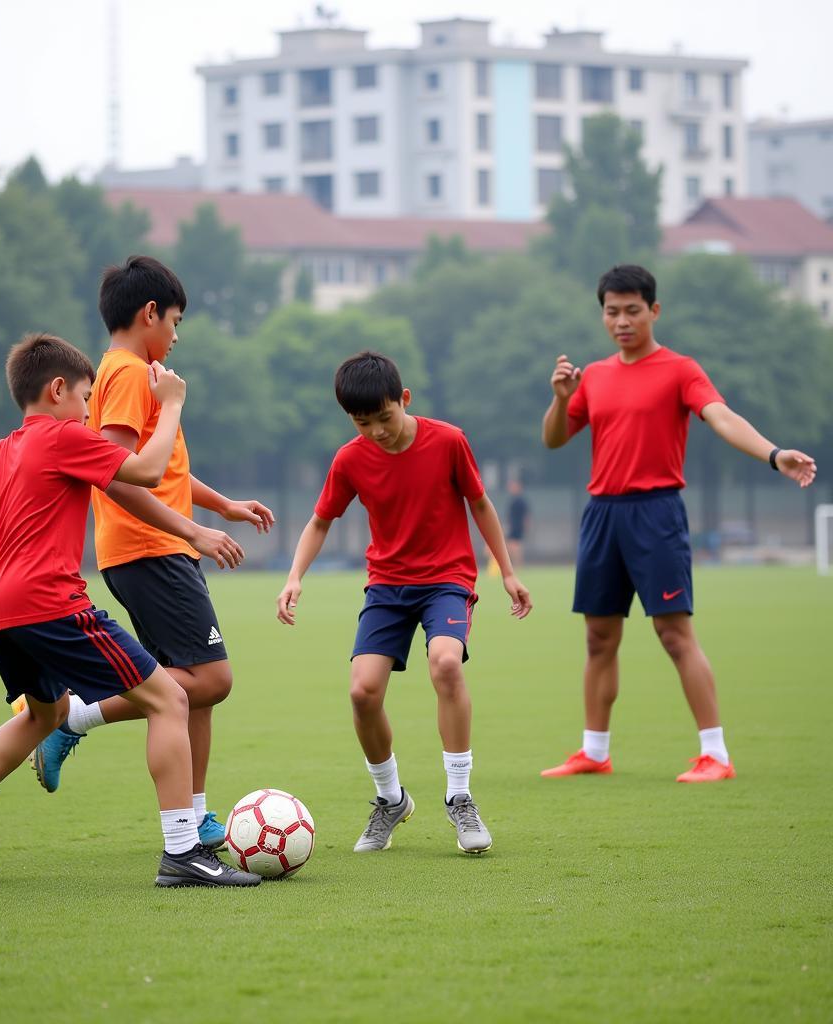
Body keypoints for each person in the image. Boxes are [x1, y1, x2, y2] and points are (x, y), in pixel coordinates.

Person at [0, 332, 259, 888]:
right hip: (48, 599)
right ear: (57, 391)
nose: (89, 409)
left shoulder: (9, 446)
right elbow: (146, 471)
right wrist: (170, 403)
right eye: (85, 397)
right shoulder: (66, 437)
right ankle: (183, 851)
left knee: (41, 714)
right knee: (170, 697)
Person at [31, 256, 274, 851]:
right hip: (151, 549)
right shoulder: (134, 376)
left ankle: (194, 818)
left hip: (157, 546)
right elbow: (116, 476)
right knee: (211, 679)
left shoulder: (135, 372)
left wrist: (220, 507)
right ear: (149, 314)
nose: (177, 332)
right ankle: (78, 716)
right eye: (176, 319)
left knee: (192, 686)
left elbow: (161, 472)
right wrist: (192, 534)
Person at [540, 264, 817, 783]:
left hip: (656, 513)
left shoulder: (680, 369)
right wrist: (559, 399)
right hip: (602, 514)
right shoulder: (594, 376)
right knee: (599, 638)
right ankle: (594, 751)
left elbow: (722, 417)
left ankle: (716, 755)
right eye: (611, 312)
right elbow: (554, 439)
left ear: (654, 311)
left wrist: (774, 453)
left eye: (632, 311)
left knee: (674, 634)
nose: (621, 321)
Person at [277, 351, 532, 856]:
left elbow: (480, 503)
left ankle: (459, 796)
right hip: (387, 587)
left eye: (384, 418)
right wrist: (294, 576)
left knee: (445, 663)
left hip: (447, 580)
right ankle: (390, 800)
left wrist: (507, 572)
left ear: (404, 399)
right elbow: (321, 520)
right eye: (362, 422)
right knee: (362, 693)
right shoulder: (350, 459)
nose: (376, 431)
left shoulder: (449, 441)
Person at [505, 479, 531, 568]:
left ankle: (518, 565)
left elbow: (526, 515)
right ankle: (516, 564)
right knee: (511, 546)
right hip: (513, 526)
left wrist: (526, 526)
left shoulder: (521, 501)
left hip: (517, 527)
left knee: (515, 546)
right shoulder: (513, 500)